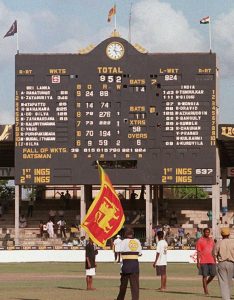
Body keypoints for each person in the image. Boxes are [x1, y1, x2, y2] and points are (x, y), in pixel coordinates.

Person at [116, 227, 142, 300]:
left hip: (126, 266)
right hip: (135, 265)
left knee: (123, 285)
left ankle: (120, 298)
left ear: (125, 234)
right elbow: (140, 254)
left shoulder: (123, 241)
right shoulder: (137, 241)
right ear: (133, 233)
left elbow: (118, 250)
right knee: (135, 286)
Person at [214, 227, 234, 300]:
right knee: (228, 283)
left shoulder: (219, 242)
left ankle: (226, 298)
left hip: (221, 263)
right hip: (231, 263)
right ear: (229, 234)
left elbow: (214, 254)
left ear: (222, 234)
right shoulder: (233, 242)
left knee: (223, 283)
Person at [196, 228, 216, 295]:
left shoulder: (212, 240)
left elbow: (213, 251)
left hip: (212, 260)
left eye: (208, 232)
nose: (207, 233)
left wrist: (215, 260)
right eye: (206, 232)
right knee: (205, 276)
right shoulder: (200, 240)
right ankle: (206, 291)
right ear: (203, 233)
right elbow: (198, 252)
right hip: (203, 261)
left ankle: (205, 284)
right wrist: (198, 262)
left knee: (213, 274)